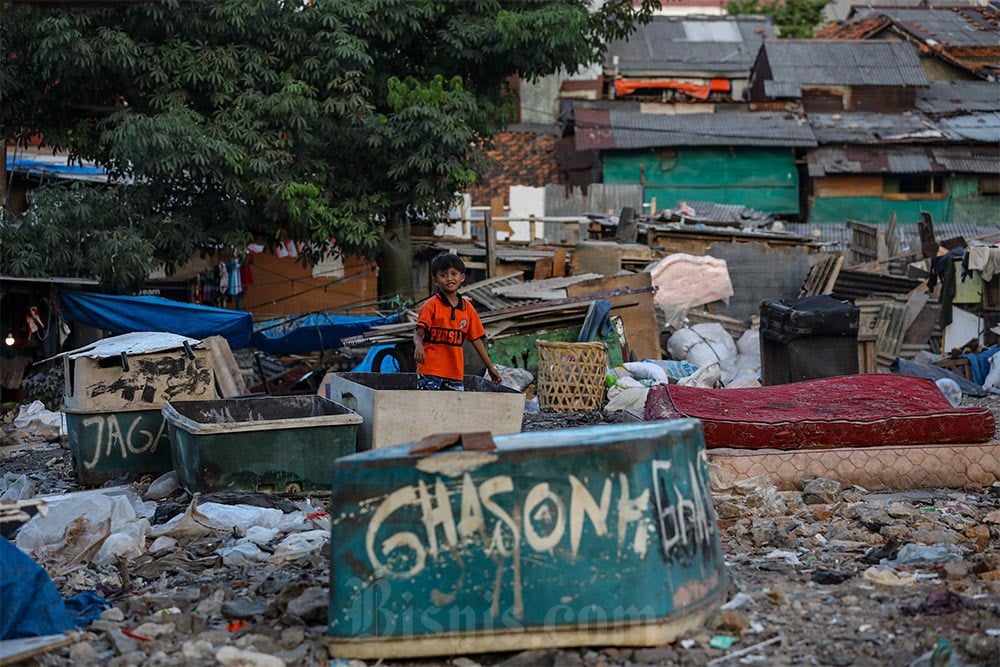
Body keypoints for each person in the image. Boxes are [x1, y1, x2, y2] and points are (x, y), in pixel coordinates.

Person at [414, 253, 502, 390]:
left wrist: (490, 367)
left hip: (454, 373)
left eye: (453, 274)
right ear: (436, 281)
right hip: (429, 371)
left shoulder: (467, 309)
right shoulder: (430, 306)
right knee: (429, 408)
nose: (449, 279)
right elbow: (418, 333)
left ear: (462, 277)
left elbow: (477, 340)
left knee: (454, 409)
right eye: (443, 275)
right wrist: (418, 345)